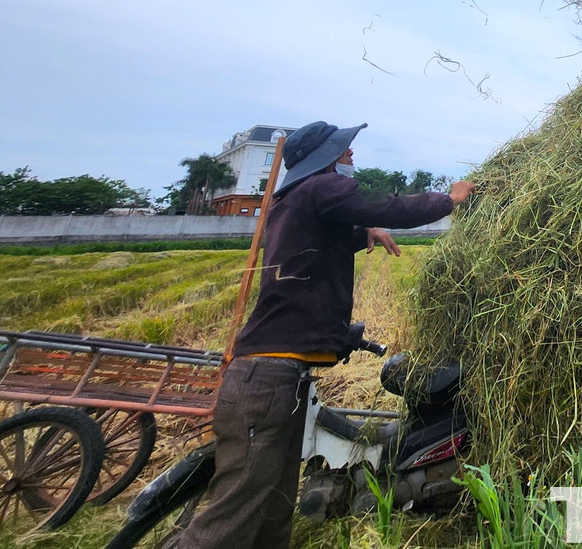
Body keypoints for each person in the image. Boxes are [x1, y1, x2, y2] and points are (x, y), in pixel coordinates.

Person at [177, 120, 473, 549]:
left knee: (273, 511)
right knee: (233, 518)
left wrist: (361, 231)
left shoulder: (293, 202)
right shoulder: (320, 188)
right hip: (266, 381)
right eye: (343, 150)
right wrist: (448, 199)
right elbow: (383, 206)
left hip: (278, 378)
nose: (351, 155)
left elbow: (320, 240)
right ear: (323, 158)